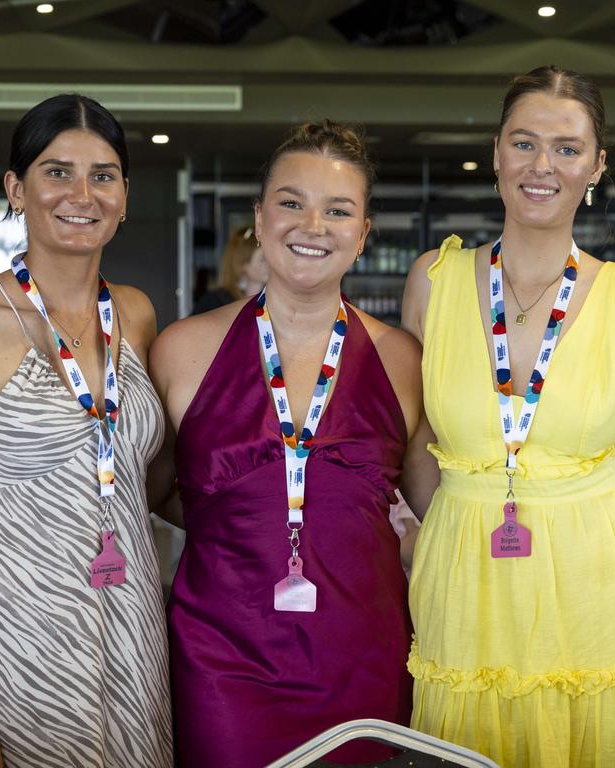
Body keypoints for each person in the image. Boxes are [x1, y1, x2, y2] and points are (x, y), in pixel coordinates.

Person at [401, 66, 615, 766]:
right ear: (495, 154)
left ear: (596, 166)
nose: (542, 165)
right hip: (467, 594)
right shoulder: (433, 280)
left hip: (606, 593)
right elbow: (418, 447)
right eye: (523, 143)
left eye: (567, 148)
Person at [150, 120, 436, 768]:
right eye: (291, 202)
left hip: (366, 651)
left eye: (338, 210)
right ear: (259, 216)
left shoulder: (402, 359)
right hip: (223, 657)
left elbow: (443, 508)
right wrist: (242, 527)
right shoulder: (181, 349)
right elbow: (149, 491)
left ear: (362, 234)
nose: (313, 225)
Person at [0, 94, 172, 768]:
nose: (82, 194)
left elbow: (154, 476)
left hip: (132, 625)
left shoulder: (136, 315)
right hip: (17, 639)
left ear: (125, 194)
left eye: (104, 175)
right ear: (16, 189)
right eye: (57, 172)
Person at [191, 226, 270, 314]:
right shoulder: (215, 302)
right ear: (243, 264)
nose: (270, 263)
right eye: (263, 259)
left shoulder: (272, 300)